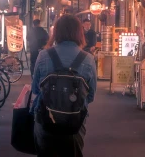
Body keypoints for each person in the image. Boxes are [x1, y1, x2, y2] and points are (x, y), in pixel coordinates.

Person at [31, 14, 97, 157]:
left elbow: (35, 89)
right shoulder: (88, 59)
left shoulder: (43, 55)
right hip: (75, 121)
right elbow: (90, 95)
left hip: (46, 118)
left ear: (56, 33)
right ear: (79, 33)